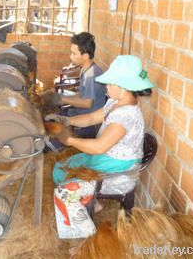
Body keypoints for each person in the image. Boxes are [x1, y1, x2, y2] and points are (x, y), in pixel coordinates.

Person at [49, 55, 154, 186]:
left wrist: (69, 140)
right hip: (106, 155)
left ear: (123, 87)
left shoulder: (126, 115)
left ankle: (91, 203)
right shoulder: (114, 102)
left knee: (66, 179)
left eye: (110, 83)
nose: (106, 87)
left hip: (118, 166)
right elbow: (91, 118)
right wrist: (65, 120)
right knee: (61, 167)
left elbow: (99, 147)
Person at [42, 32, 106, 139]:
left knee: (51, 135)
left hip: (89, 124)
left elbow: (87, 103)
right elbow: (82, 95)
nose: (71, 56)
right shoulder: (85, 69)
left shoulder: (92, 75)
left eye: (74, 53)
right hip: (80, 114)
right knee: (49, 118)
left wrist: (62, 99)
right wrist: (61, 98)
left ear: (85, 56)